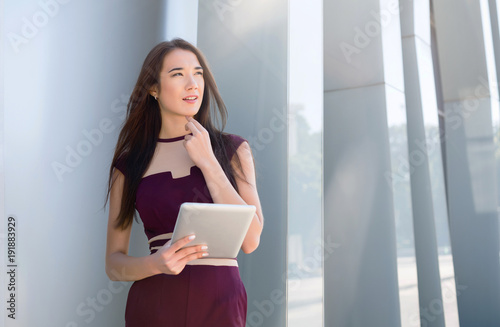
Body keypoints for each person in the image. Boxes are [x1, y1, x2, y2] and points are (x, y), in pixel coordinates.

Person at [104, 38, 264, 326]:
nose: (193, 83)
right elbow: (114, 264)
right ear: (153, 88)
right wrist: (153, 263)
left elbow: (251, 239)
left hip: (221, 303)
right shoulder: (129, 166)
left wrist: (209, 163)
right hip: (155, 304)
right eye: (178, 74)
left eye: (198, 73)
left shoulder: (233, 150)